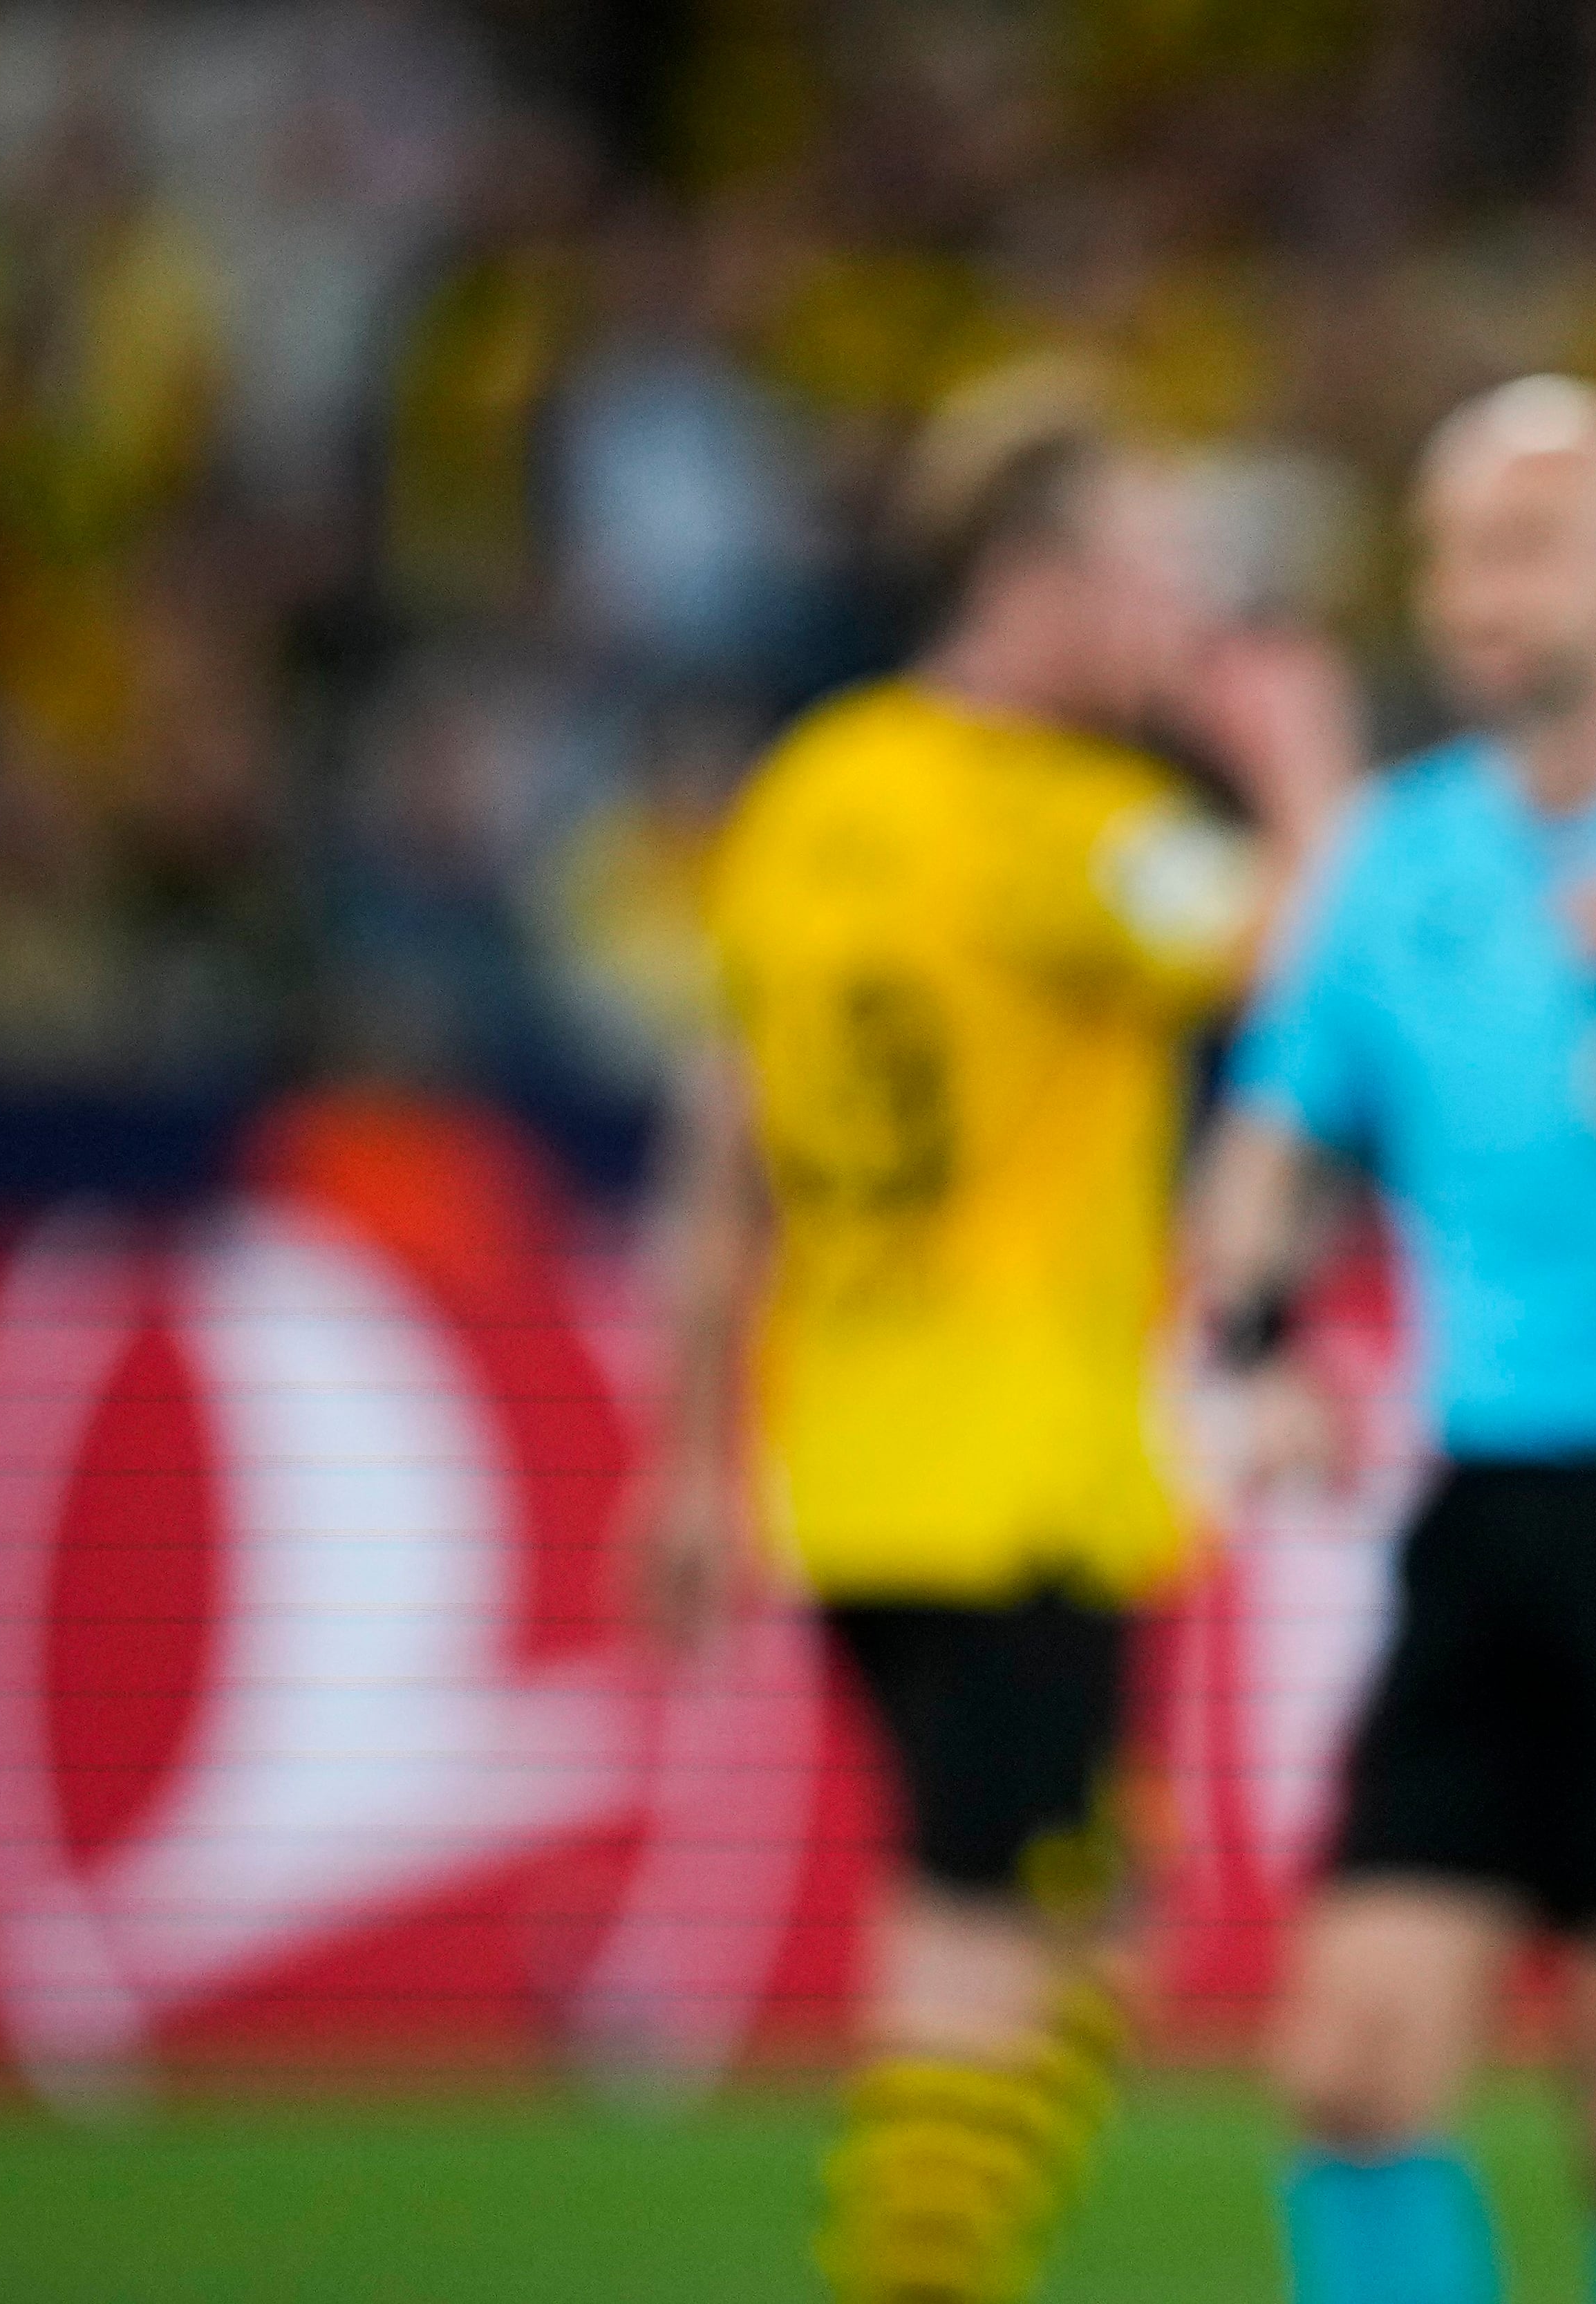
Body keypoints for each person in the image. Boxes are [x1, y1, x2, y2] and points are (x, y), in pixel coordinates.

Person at [631, 370, 1349, 2304]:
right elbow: (1331, 964)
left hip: (847, 1469)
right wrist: (1291, 757)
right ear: (1034, 577)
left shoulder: (807, 794)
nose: (1178, 621)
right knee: (982, 1945)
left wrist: (686, 1460)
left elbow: (719, 1154)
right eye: (1150, 575)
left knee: (1096, 1914)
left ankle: (937, 2270)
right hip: (1019, 1470)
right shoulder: (1070, 824)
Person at [1193, 373, 1596, 2304]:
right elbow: (1276, 1142)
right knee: (1353, 2065)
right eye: (1443, 555)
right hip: (1485, 1511)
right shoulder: (1396, 858)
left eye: (1514, 546)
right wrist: (1255, 1339)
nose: (1467, 595)